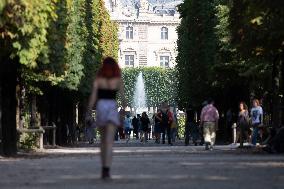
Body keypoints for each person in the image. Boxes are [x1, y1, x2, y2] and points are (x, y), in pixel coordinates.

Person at [86, 57, 126, 180]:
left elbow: (93, 98)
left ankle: (103, 168)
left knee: (103, 141)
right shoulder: (118, 80)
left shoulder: (98, 80)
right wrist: (121, 115)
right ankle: (107, 169)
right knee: (109, 142)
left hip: (101, 107)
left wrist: (88, 112)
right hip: (112, 107)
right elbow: (124, 101)